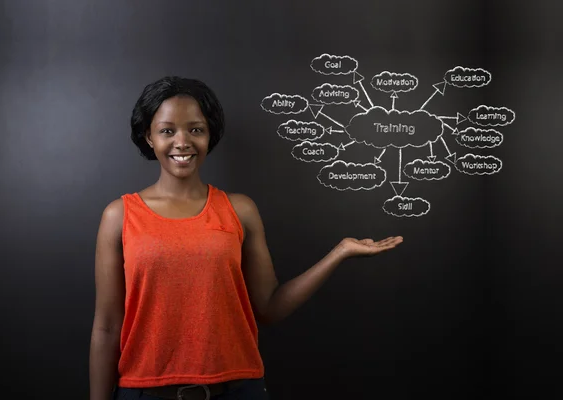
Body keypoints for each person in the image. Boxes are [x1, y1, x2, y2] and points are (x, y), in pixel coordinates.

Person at [89, 76, 403, 400]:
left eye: (195, 129)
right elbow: (107, 327)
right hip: (144, 393)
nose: (182, 141)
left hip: (239, 391)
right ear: (148, 137)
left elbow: (269, 308)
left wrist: (339, 252)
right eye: (167, 130)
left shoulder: (240, 210)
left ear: (209, 136)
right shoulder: (120, 216)